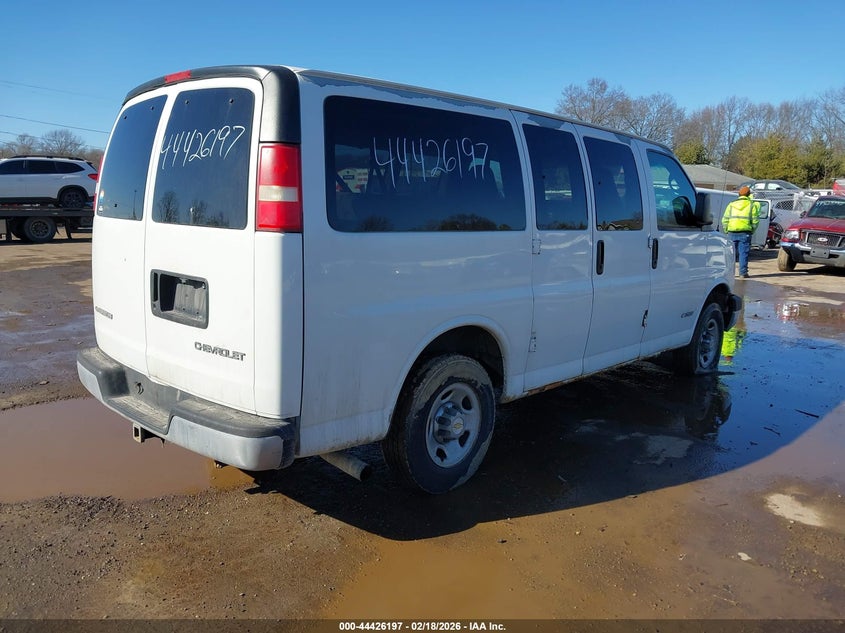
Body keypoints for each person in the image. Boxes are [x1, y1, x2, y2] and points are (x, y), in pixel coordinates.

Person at [722, 185, 760, 278]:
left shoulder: (731, 204)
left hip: (731, 231)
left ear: (738, 194)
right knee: (744, 253)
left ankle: (729, 273)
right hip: (745, 232)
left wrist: (726, 230)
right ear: (749, 194)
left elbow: (725, 219)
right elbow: (755, 221)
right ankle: (743, 273)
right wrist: (752, 230)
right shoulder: (752, 205)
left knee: (730, 254)